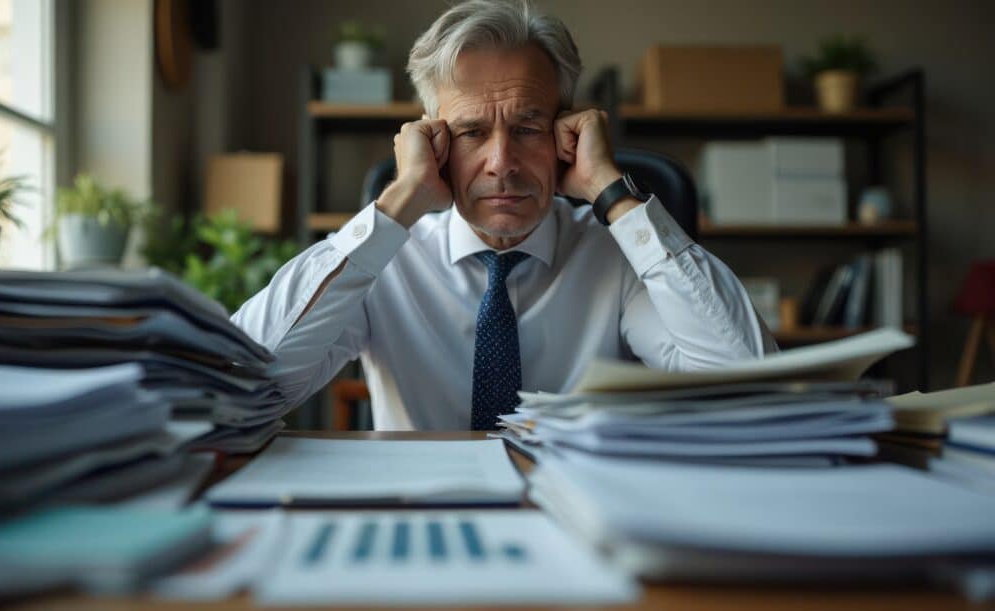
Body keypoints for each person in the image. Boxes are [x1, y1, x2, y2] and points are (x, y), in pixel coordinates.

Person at [232, 0, 777, 430]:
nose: (502, 163)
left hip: (581, 527)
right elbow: (245, 386)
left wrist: (612, 192)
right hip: (420, 523)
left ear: (566, 134)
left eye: (527, 128)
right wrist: (399, 202)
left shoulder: (614, 254)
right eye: (471, 132)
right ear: (433, 140)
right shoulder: (383, 260)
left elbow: (747, 387)